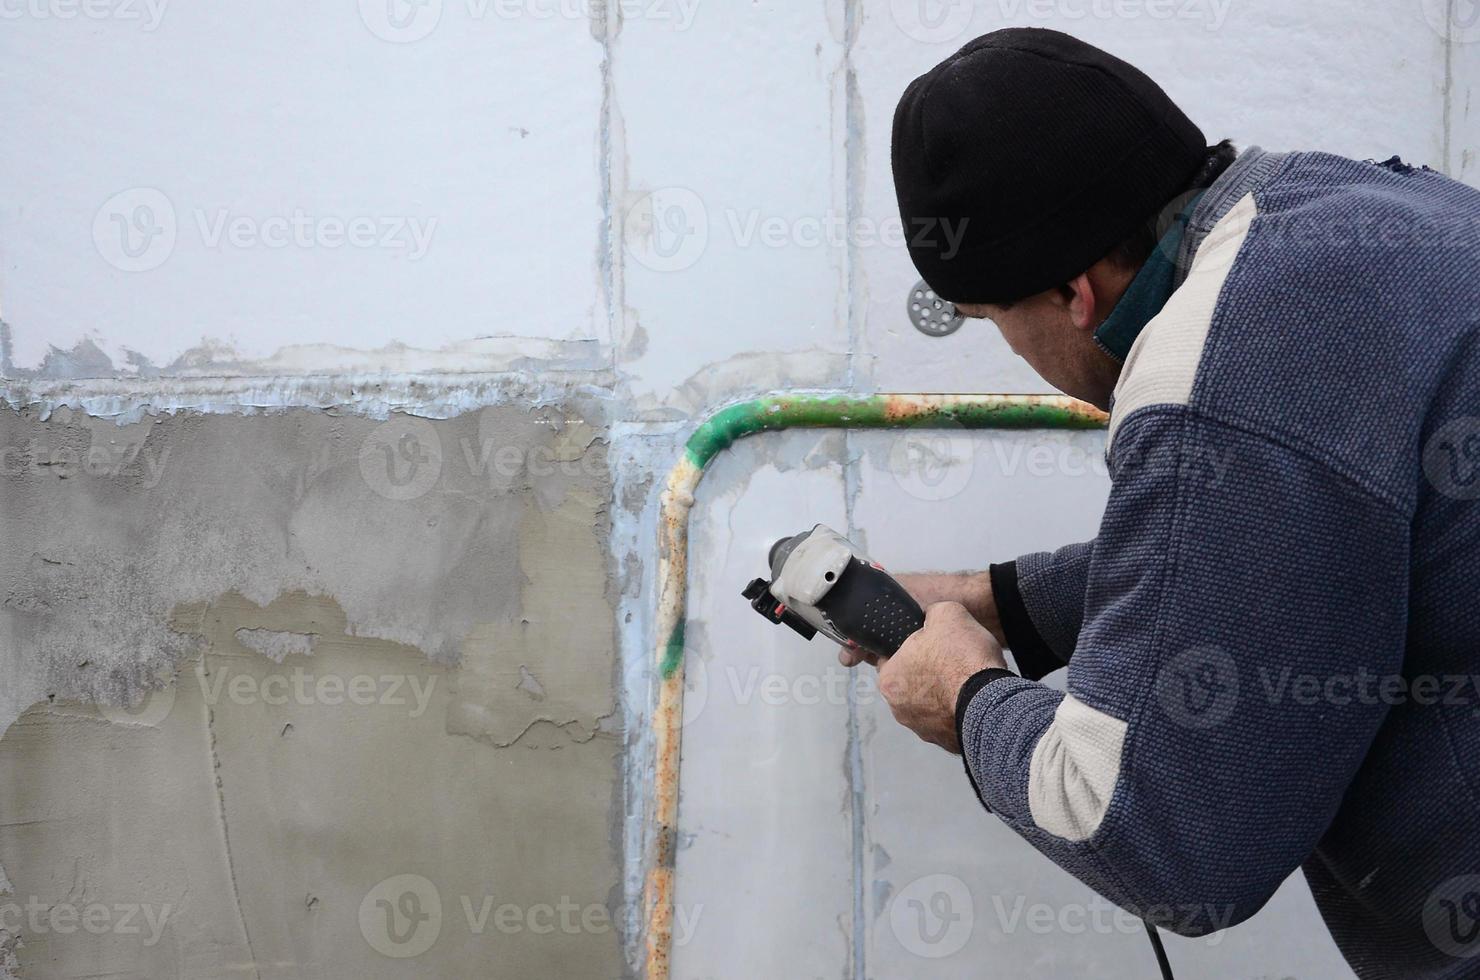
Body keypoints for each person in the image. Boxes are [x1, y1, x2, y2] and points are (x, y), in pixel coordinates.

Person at [846, 26, 1480, 980]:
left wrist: (968, 701)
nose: (1017, 354)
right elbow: (1320, 534)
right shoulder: (1366, 211)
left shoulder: (1219, 374)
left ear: (1073, 294)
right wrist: (1003, 601)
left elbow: (1167, 839)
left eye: (997, 325)